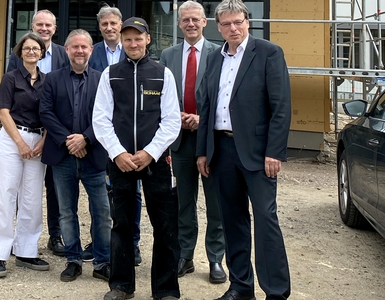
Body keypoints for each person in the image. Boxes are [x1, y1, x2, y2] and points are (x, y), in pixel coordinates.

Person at [196, 1, 291, 299]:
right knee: (232, 219)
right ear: (218, 27)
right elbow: (207, 106)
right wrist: (203, 151)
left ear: (248, 22)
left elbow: (281, 106)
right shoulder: (214, 58)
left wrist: (274, 152)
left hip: (259, 153)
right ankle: (240, 286)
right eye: (226, 24)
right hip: (222, 149)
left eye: (238, 22)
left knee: (265, 219)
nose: (233, 28)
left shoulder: (268, 53)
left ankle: (275, 291)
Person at [93, 17, 181, 300]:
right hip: (120, 162)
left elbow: (170, 122)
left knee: (165, 225)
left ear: (148, 40)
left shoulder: (162, 74)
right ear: (121, 40)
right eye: (127, 38)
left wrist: (150, 153)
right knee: (121, 225)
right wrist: (117, 152)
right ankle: (121, 286)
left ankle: (166, 290)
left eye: (138, 38)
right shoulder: (110, 74)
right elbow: (101, 119)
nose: (133, 43)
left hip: (155, 161)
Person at [159, 0, 226, 284]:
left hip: (211, 140)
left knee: (216, 203)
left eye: (195, 19)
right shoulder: (167, 55)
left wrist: (202, 118)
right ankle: (185, 256)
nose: (190, 24)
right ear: (179, 23)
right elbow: (159, 95)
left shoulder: (219, 54)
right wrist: (177, 118)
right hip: (179, 141)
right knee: (183, 202)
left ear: (204, 22)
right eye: (185, 19)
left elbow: (224, 96)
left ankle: (215, 259)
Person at [39, 29, 111, 283]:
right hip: (63, 157)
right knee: (67, 211)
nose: (80, 51)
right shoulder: (52, 79)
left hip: (94, 156)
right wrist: (69, 141)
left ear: (92, 50)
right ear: (66, 50)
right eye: (75, 47)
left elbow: (106, 116)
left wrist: (86, 139)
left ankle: (102, 261)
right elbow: (46, 112)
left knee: (102, 211)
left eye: (85, 47)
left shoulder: (103, 79)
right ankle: (73, 259)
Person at [0, 32, 49, 278]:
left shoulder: (47, 81)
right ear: (20, 52)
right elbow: (3, 113)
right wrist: (20, 143)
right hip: (13, 139)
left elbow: (50, 114)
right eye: (27, 48)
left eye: (36, 48)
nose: (31, 52)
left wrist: (44, 141)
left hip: (38, 141)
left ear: (42, 53)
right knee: (5, 194)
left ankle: (26, 250)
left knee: (32, 197)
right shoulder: (10, 78)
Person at [7, 9, 69, 257]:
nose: (44, 29)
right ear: (32, 26)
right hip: (26, 129)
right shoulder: (18, 52)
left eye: (48, 25)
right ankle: (17, 239)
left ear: (55, 29)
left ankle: (56, 236)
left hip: (53, 132)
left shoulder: (63, 54)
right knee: (22, 187)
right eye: (39, 24)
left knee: (55, 186)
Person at [87, 4, 143, 267]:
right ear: (99, 27)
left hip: (130, 134)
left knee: (133, 192)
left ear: (121, 26)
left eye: (113, 23)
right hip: (100, 132)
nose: (109, 28)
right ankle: (98, 241)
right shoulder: (92, 52)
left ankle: (132, 243)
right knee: (100, 190)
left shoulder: (133, 50)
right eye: (104, 24)